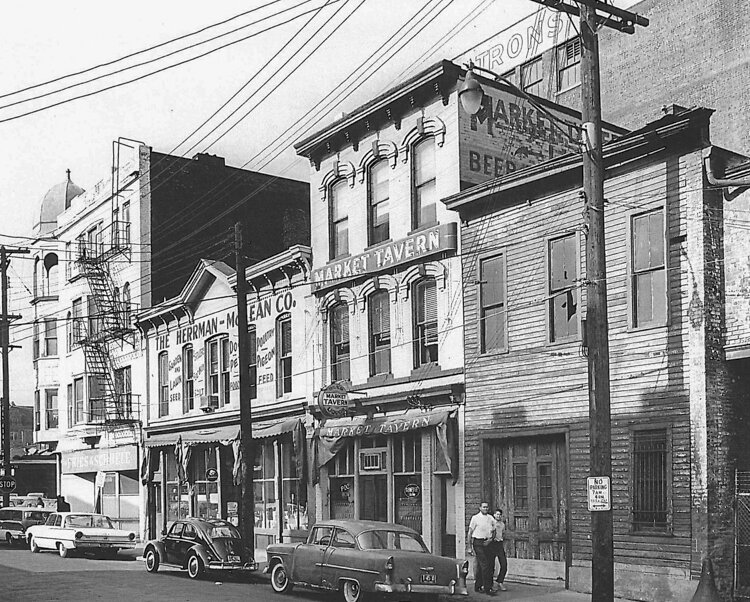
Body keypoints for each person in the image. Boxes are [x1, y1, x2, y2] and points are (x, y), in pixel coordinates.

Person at [467, 501, 496, 596]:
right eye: (483, 507)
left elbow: (494, 530)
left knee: (483, 566)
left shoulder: (490, 518)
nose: (485, 509)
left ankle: (478, 586)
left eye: (487, 507)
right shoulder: (475, 518)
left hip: (487, 543)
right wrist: (469, 547)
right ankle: (488, 588)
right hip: (478, 543)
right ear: (480, 508)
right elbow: (470, 533)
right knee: (485, 565)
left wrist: (490, 540)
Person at [490, 509, 508, 592]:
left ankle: (500, 581)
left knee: (504, 564)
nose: (498, 516)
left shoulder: (502, 524)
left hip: (499, 544)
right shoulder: (491, 522)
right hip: (492, 544)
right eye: (497, 514)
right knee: (490, 565)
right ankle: (490, 584)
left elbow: (503, 534)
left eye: (500, 514)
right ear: (494, 515)